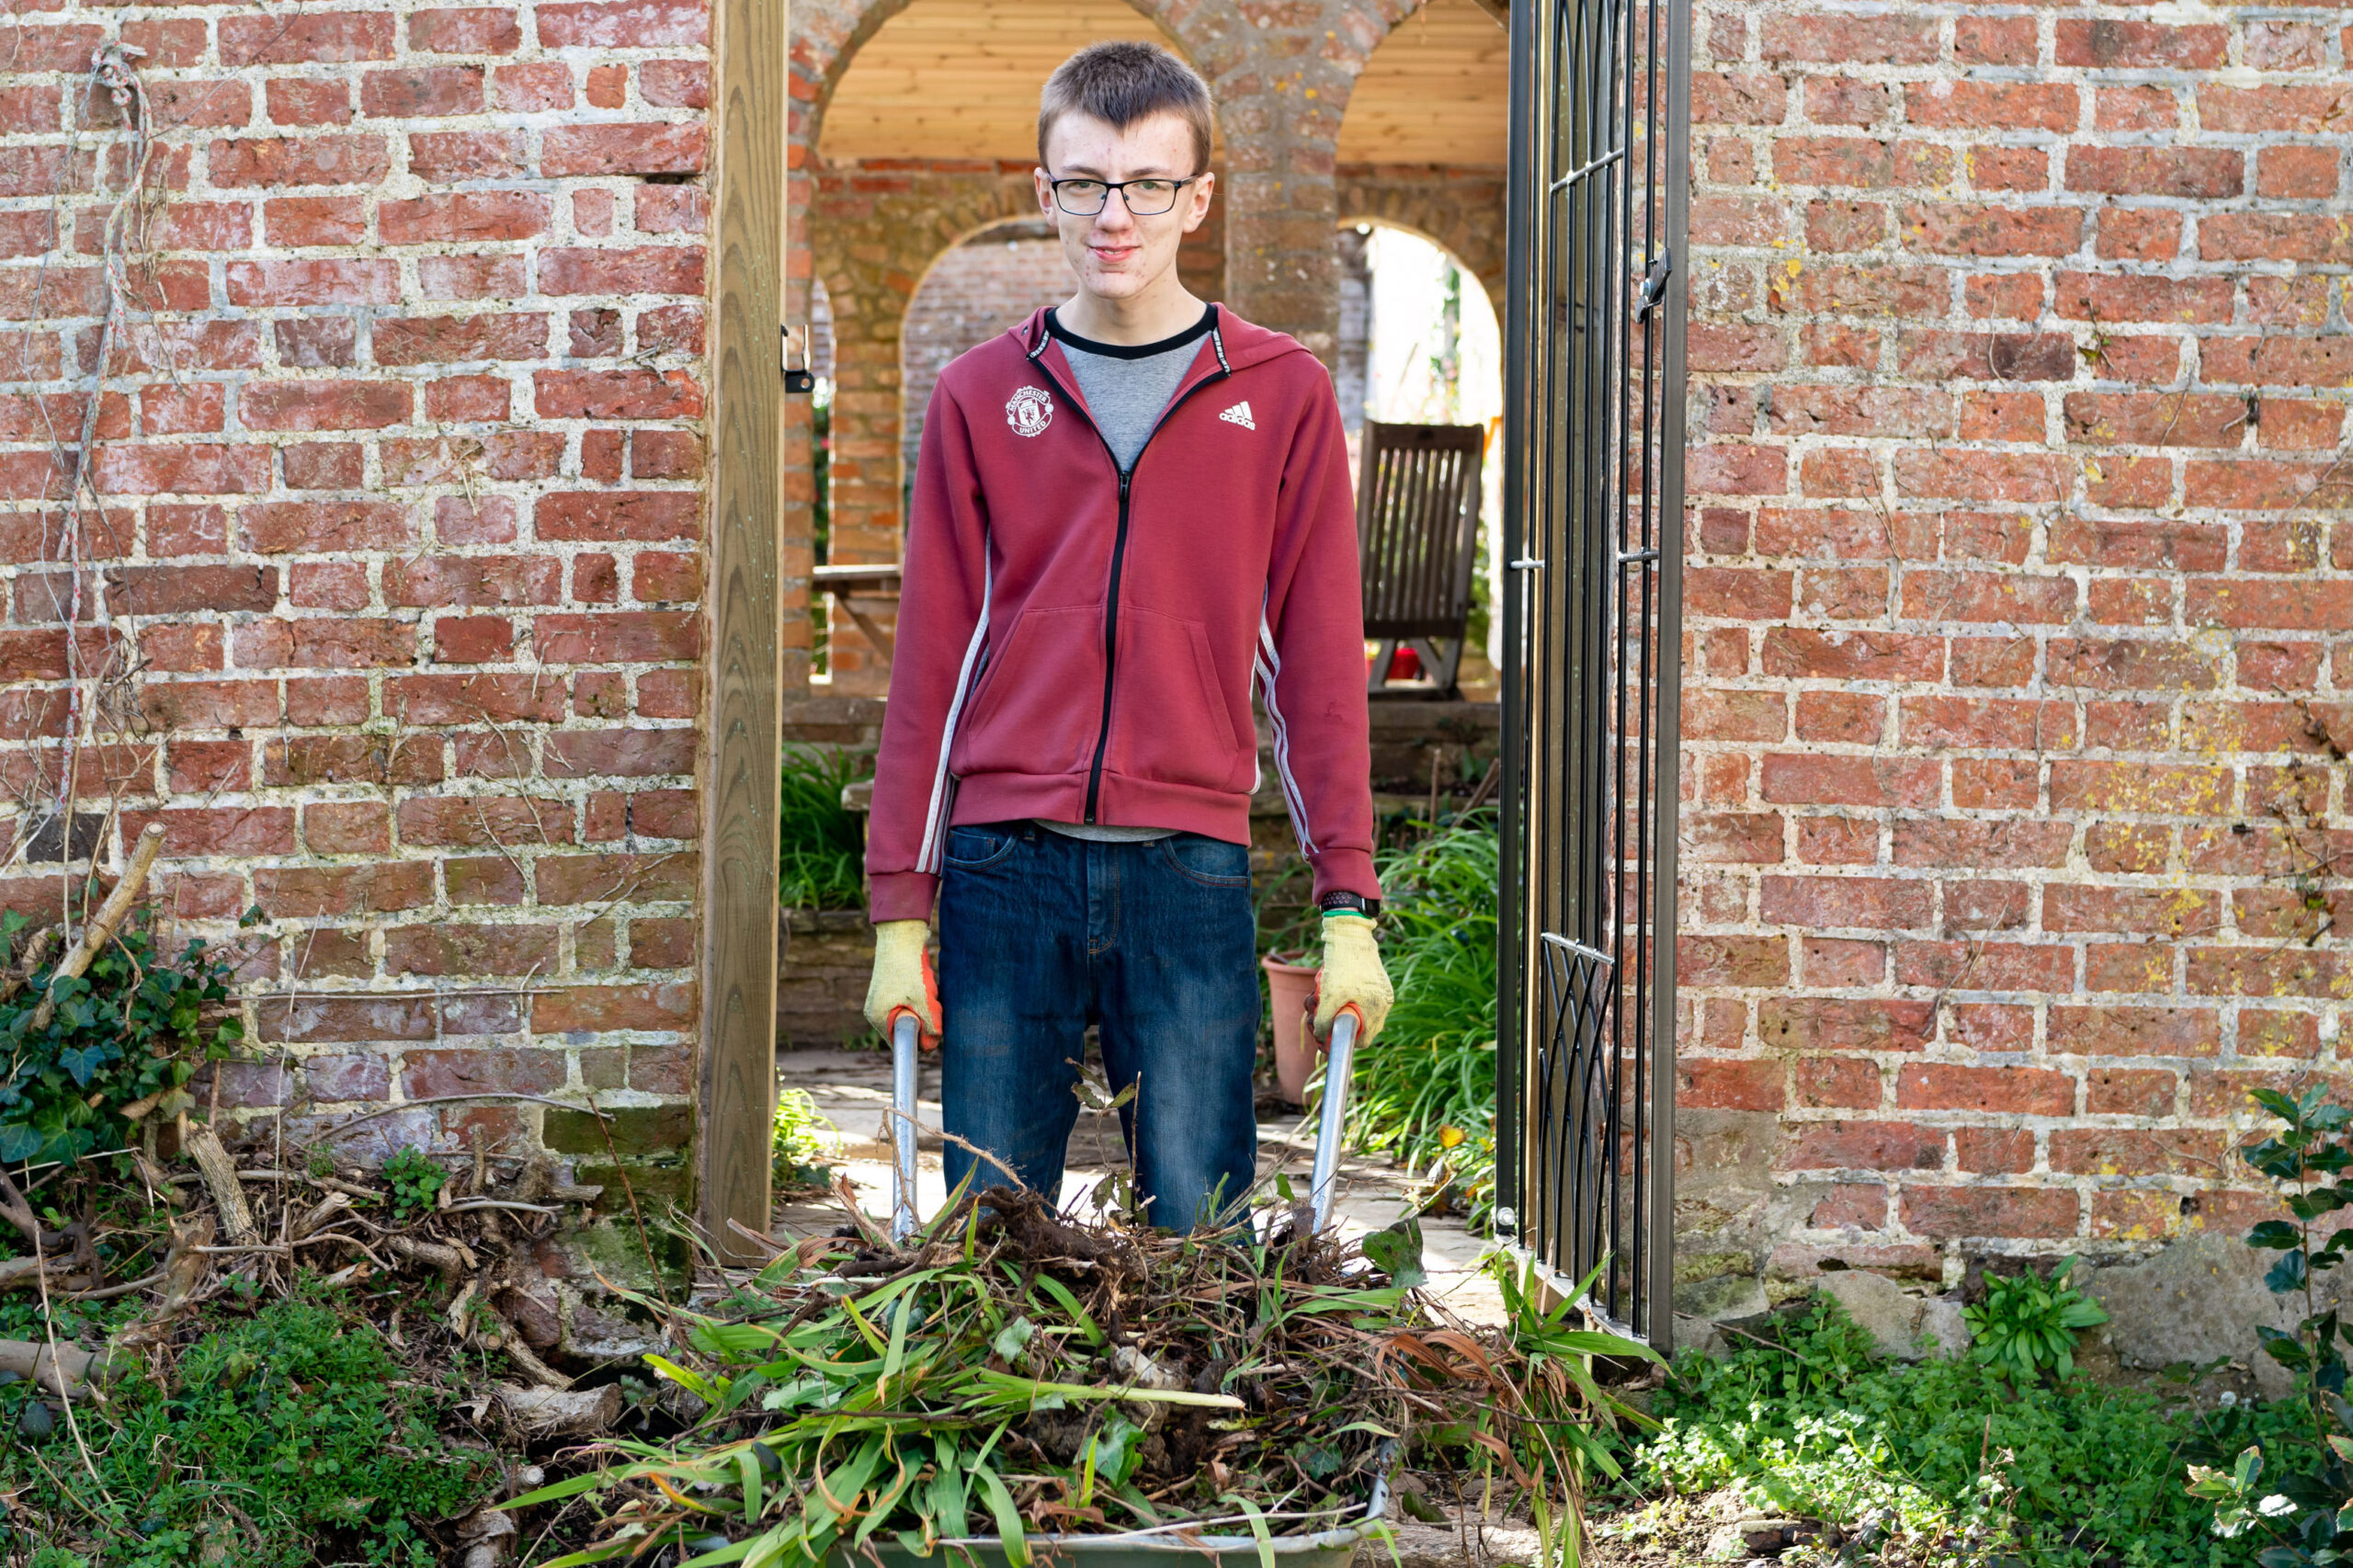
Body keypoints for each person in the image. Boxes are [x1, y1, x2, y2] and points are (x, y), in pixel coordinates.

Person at [858, 40, 1392, 1233]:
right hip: (1008, 870)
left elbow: (1317, 668)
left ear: (1197, 198)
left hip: (1188, 874)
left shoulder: (1283, 394)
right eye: (1087, 181)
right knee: (989, 1245)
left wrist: (1346, 906)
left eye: (1149, 182)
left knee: (1200, 1245)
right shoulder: (978, 396)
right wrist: (903, 912)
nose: (1118, 213)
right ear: (1044, 192)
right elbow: (930, 670)